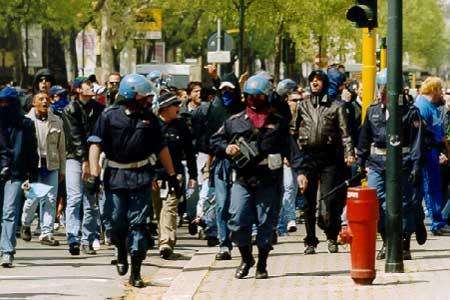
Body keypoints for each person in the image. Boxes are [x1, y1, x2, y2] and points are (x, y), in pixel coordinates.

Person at [210, 75, 309, 279]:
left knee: (266, 223)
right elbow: (214, 141)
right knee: (237, 219)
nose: (254, 100)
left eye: (258, 96)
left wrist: (300, 173)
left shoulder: (278, 124)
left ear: (267, 97)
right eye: (250, 96)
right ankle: (246, 258)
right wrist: (226, 147)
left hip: (269, 181)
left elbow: (293, 150)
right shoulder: (234, 122)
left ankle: (262, 263)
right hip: (243, 180)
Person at [87, 74, 180, 287]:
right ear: (132, 95)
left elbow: (162, 148)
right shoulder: (109, 116)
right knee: (117, 222)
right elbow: (95, 146)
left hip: (141, 176)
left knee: (138, 225)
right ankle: (120, 249)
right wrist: (93, 174)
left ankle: (136, 272)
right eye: (144, 96)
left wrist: (172, 175)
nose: (148, 100)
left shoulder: (150, 119)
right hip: (116, 177)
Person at [357, 85, 424, 260]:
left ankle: (403, 242)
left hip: (403, 163)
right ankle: (387, 241)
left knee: (402, 203)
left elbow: (416, 141)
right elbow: (364, 139)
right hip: (377, 164)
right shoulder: (372, 112)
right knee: (377, 203)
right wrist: (360, 163)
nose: (385, 99)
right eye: (383, 95)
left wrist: (416, 165)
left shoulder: (410, 112)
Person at [295, 70, 355, 254]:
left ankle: (331, 235)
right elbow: (293, 131)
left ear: (325, 84)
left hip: (329, 158)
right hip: (308, 158)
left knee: (330, 200)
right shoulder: (302, 106)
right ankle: (310, 240)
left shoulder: (336, 106)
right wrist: (293, 156)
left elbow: (345, 134)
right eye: (312, 80)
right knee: (308, 200)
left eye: (319, 80)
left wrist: (349, 153)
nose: (315, 82)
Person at [62, 79, 104, 255]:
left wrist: (97, 158)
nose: (92, 88)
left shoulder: (100, 109)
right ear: (78, 89)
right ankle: (72, 236)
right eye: (87, 85)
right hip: (74, 157)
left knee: (91, 200)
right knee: (74, 197)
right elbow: (75, 136)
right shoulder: (70, 109)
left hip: (95, 156)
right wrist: (85, 160)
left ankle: (88, 238)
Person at [153, 92, 197, 259]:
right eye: (174, 105)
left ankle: (166, 243)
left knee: (170, 208)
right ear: (164, 108)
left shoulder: (181, 126)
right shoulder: (152, 125)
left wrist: (193, 175)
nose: (178, 108)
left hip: (175, 174)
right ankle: (162, 239)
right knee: (158, 209)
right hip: (155, 175)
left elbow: (190, 152)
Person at [0, 87, 39, 267]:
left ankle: (7, 251)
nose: (4, 106)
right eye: (1, 102)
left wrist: (33, 173)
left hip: (15, 173)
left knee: (9, 212)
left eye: (8, 102)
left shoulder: (26, 124)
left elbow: (32, 149)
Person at [20, 93, 66, 246]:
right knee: (33, 198)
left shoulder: (57, 121)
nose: (45, 101)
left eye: (47, 98)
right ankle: (25, 224)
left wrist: (62, 170)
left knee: (51, 200)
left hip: (51, 165)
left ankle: (46, 233)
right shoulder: (27, 121)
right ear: (34, 103)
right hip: (34, 166)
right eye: (41, 99)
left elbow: (61, 148)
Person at [414, 77, 448, 235]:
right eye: (440, 89)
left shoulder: (433, 106)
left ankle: (437, 220)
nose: (442, 92)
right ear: (434, 90)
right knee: (430, 188)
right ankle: (436, 222)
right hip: (427, 152)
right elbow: (422, 132)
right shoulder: (422, 105)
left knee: (434, 187)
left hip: (434, 151)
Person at [275, 79, 300, 235]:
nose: (296, 103)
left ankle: (284, 221)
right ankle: (288, 219)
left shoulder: (303, 115)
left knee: (293, 189)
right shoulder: (280, 116)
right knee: (288, 187)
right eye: (293, 100)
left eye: (299, 100)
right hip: (283, 158)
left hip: (298, 158)